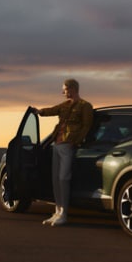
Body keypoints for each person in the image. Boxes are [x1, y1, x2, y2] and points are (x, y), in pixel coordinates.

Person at [32, 78, 93, 226]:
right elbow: (52, 110)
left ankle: (64, 213)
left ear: (72, 89)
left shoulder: (85, 106)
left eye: (64, 89)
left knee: (63, 178)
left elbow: (86, 126)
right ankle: (57, 211)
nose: (63, 92)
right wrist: (38, 112)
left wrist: (75, 142)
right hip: (57, 145)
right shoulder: (65, 105)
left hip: (68, 145)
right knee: (55, 179)